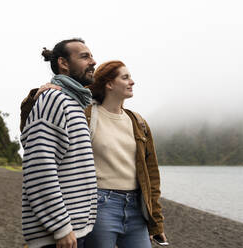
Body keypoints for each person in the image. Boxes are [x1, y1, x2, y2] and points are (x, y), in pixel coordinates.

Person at [21, 60, 168, 248]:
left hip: (136, 209)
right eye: (125, 77)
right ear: (109, 84)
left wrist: (156, 222)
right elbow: (38, 134)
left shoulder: (138, 122)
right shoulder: (85, 113)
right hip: (99, 206)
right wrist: (38, 96)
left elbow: (152, 176)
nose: (132, 82)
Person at [20, 38, 97, 248]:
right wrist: (60, 226)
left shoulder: (75, 104)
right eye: (85, 56)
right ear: (63, 63)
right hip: (58, 236)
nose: (93, 61)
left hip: (74, 230)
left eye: (91, 56)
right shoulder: (55, 99)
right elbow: (39, 167)